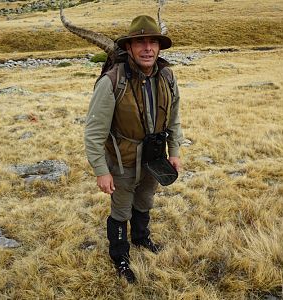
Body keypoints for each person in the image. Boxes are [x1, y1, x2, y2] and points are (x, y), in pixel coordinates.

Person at [85, 15, 183, 283]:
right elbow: (94, 133)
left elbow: (174, 118)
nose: (147, 48)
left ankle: (141, 239)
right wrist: (101, 170)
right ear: (129, 47)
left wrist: (173, 151)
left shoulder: (168, 77)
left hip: (154, 158)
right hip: (123, 160)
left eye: (153, 42)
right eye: (140, 42)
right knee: (121, 210)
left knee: (145, 201)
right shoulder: (111, 82)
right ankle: (120, 256)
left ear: (159, 47)